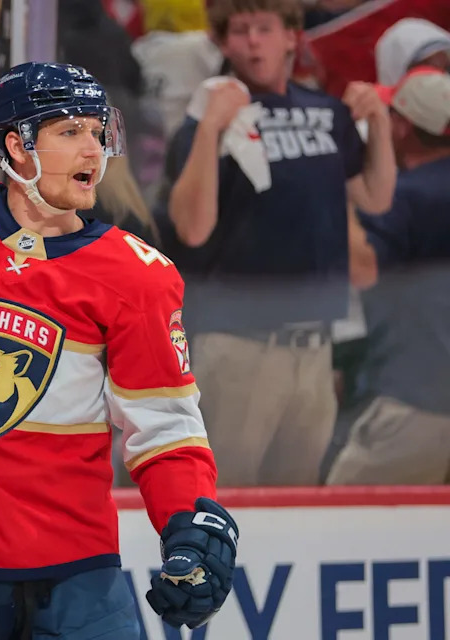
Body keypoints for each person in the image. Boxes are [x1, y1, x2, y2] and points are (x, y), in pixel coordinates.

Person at [0, 62, 238, 638]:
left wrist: (188, 527)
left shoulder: (138, 275)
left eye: (96, 130)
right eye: (69, 132)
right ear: (16, 145)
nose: (93, 149)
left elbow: (165, 427)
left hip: (77, 566)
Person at [157, 0, 397, 486]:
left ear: (291, 36)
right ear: (223, 43)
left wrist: (381, 126)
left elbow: (375, 196)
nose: (252, 42)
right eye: (240, 32)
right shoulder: (211, 115)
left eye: (264, 29)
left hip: (314, 346)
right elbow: (192, 228)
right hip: (239, 344)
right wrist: (207, 128)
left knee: (297, 500)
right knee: (222, 496)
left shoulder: (326, 111)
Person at [326, 67, 450, 485]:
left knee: (334, 520)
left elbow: (365, 269)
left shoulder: (409, 195)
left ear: (402, 127)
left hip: (418, 401)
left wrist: (334, 186)